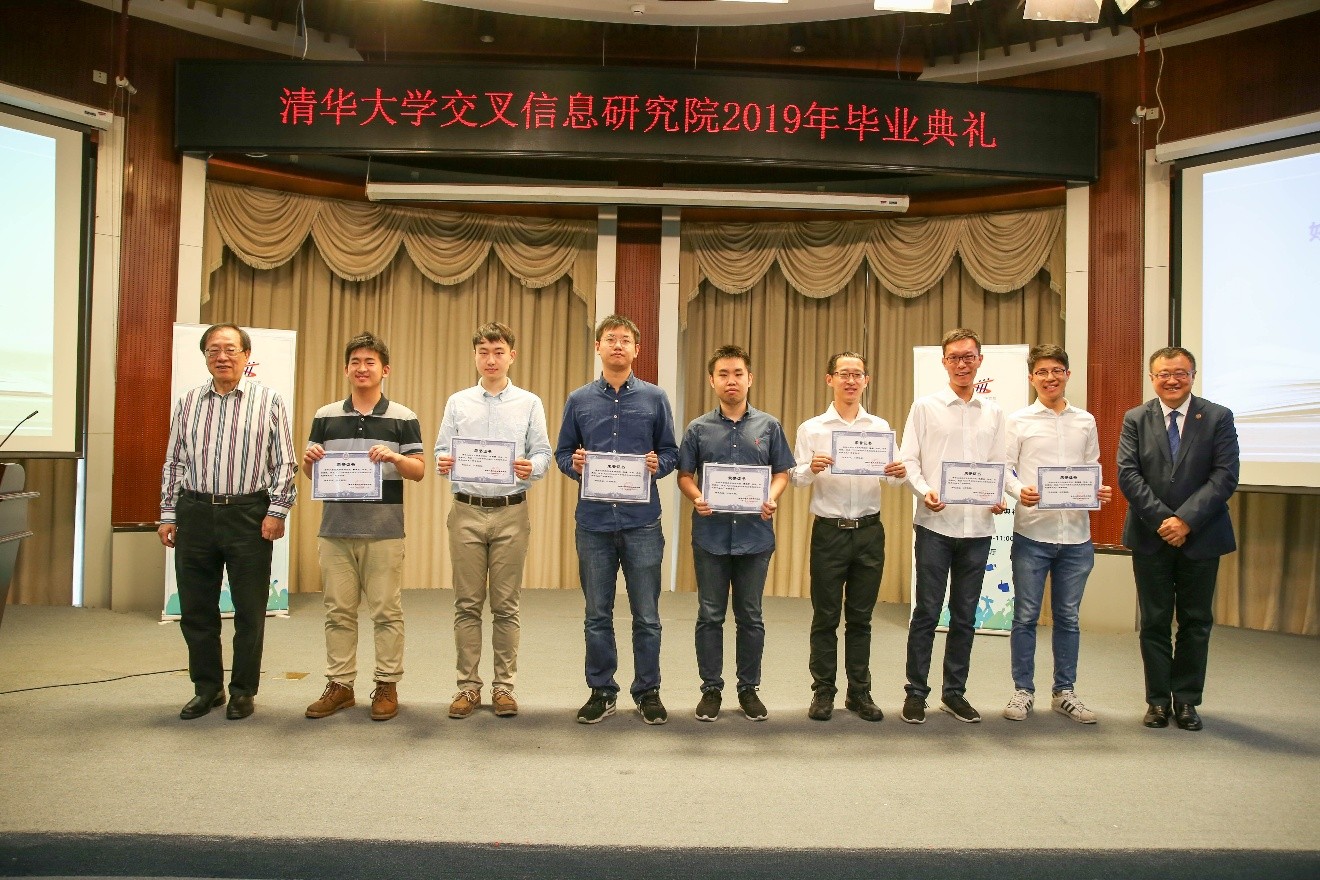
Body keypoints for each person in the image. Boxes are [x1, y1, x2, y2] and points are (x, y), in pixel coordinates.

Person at [158, 323, 296, 721]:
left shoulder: (268, 400)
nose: (222, 357)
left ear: (246, 355)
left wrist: (277, 511)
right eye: (214, 350)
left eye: (231, 349)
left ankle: (242, 691)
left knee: (250, 610)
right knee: (196, 609)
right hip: (195, 513)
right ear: (205, 356)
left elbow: (284, 463)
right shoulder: (187, 402)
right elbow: (174, 462)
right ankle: (207, 689)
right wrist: (168, 514)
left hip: (248, 515)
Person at [555, 315, 679, 725]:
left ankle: (648, 691)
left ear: (637, 349)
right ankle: (601, 691)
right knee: (597, 614)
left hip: (642, 522)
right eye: (610, 339)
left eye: (626, 340)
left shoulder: (655, 398)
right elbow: (562, 453)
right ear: (598, 347)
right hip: (594, 524)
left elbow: (671, 452)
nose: (618, 346)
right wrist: (574, 465)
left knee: (647, 615)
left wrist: (658, 465)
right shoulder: (579, 400)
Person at [302, 332, 425, 722]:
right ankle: (340, 685)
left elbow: (419, 470)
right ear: (346, 369)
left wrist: (395, 458)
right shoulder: (325, 416)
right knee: (338, 611)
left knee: (387, 611)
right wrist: (309, 461)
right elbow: (312, 474)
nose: (362, 368)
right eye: (355, 361)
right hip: (335, 529)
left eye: (370, 362)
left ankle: (387, 684)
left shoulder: (403, 417)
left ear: (385, 370)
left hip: (384, 530)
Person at [1118, 346, 1239, 732]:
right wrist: (1163, 521)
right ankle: (1157, 701)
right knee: (1154, 621)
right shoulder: (1136, 418)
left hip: (1202, 536)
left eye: (1180, 373)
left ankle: (1186, 700)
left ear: (1193, 376)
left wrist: (1185, 520)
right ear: (1152, 377)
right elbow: (1128, 474)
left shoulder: (1218, 416)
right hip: (1150, 536)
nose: (1172, 380)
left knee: (1195, 621)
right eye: (1163, 374)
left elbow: (1225, 475)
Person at [434, 322, 551, 720]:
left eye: (498, 352)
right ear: (475, 356)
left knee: (506, 605)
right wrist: (444, 462)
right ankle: (467, 687)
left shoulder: (529, 403)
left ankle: (504, 687)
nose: (491, 359)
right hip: (466, 510)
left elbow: (543, 453)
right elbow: (440, 451)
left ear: (511, 356)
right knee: (467, 604)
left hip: (511, 511)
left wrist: (531, 467)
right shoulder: (458, 402)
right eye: (483, 352)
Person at [677, 345, 795, 722]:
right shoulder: (698, 428)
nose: (732, 380)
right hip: (710, 537)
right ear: (712, 381)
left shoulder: (769, 426)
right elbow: (684, 475)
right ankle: (711, 688)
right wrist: (696, 497)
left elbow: (782, 472)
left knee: (751, 616)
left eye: (738, 373)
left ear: (750, 379)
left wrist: (772, 497)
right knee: (710, 615)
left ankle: (748, 688)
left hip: (755, 537)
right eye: (723, 374)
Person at [898, 328, 1007, 725]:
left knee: (964, 615)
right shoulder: (925, 407)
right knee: (927, 612)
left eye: (968, 357)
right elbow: (908, 460)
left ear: (980, 360)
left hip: (977, 528)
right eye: (954, 358)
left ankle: (954, 693)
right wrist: (924, 490)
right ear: (944, 363)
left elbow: (999, 465)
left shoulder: (994, 412)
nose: (962, 364)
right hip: (935, 525)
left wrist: (999, 493)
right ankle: (916, 692)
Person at [792, 352, 908, 723]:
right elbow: (796, 479)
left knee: (861, 618)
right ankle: (823, 691)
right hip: (830, 532)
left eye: (857, 374)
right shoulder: (812, 428)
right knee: (825, 617)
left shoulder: (879, 426)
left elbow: (894, 480)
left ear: (866, 381)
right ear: (830, 379)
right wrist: (811, 468)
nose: (851, 381)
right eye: (844, 374)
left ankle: (859, 692)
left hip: (869, 532)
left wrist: (898, 471)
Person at [1002, 344, 1112, 724]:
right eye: (1042, 372)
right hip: (1032, 534)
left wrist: (1097, 490)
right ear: (1031, 378)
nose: (1050, 378)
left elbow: (1091, 466)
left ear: (1067, 374)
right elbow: (1005, 469)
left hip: (1077, 538)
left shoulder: (1085, 421)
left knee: (1068, 618)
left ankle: (1064, 691)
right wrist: (1019, 491)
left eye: (1057, 370)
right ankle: (1023, 691)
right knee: (1025, 616)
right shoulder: (1018, 420)